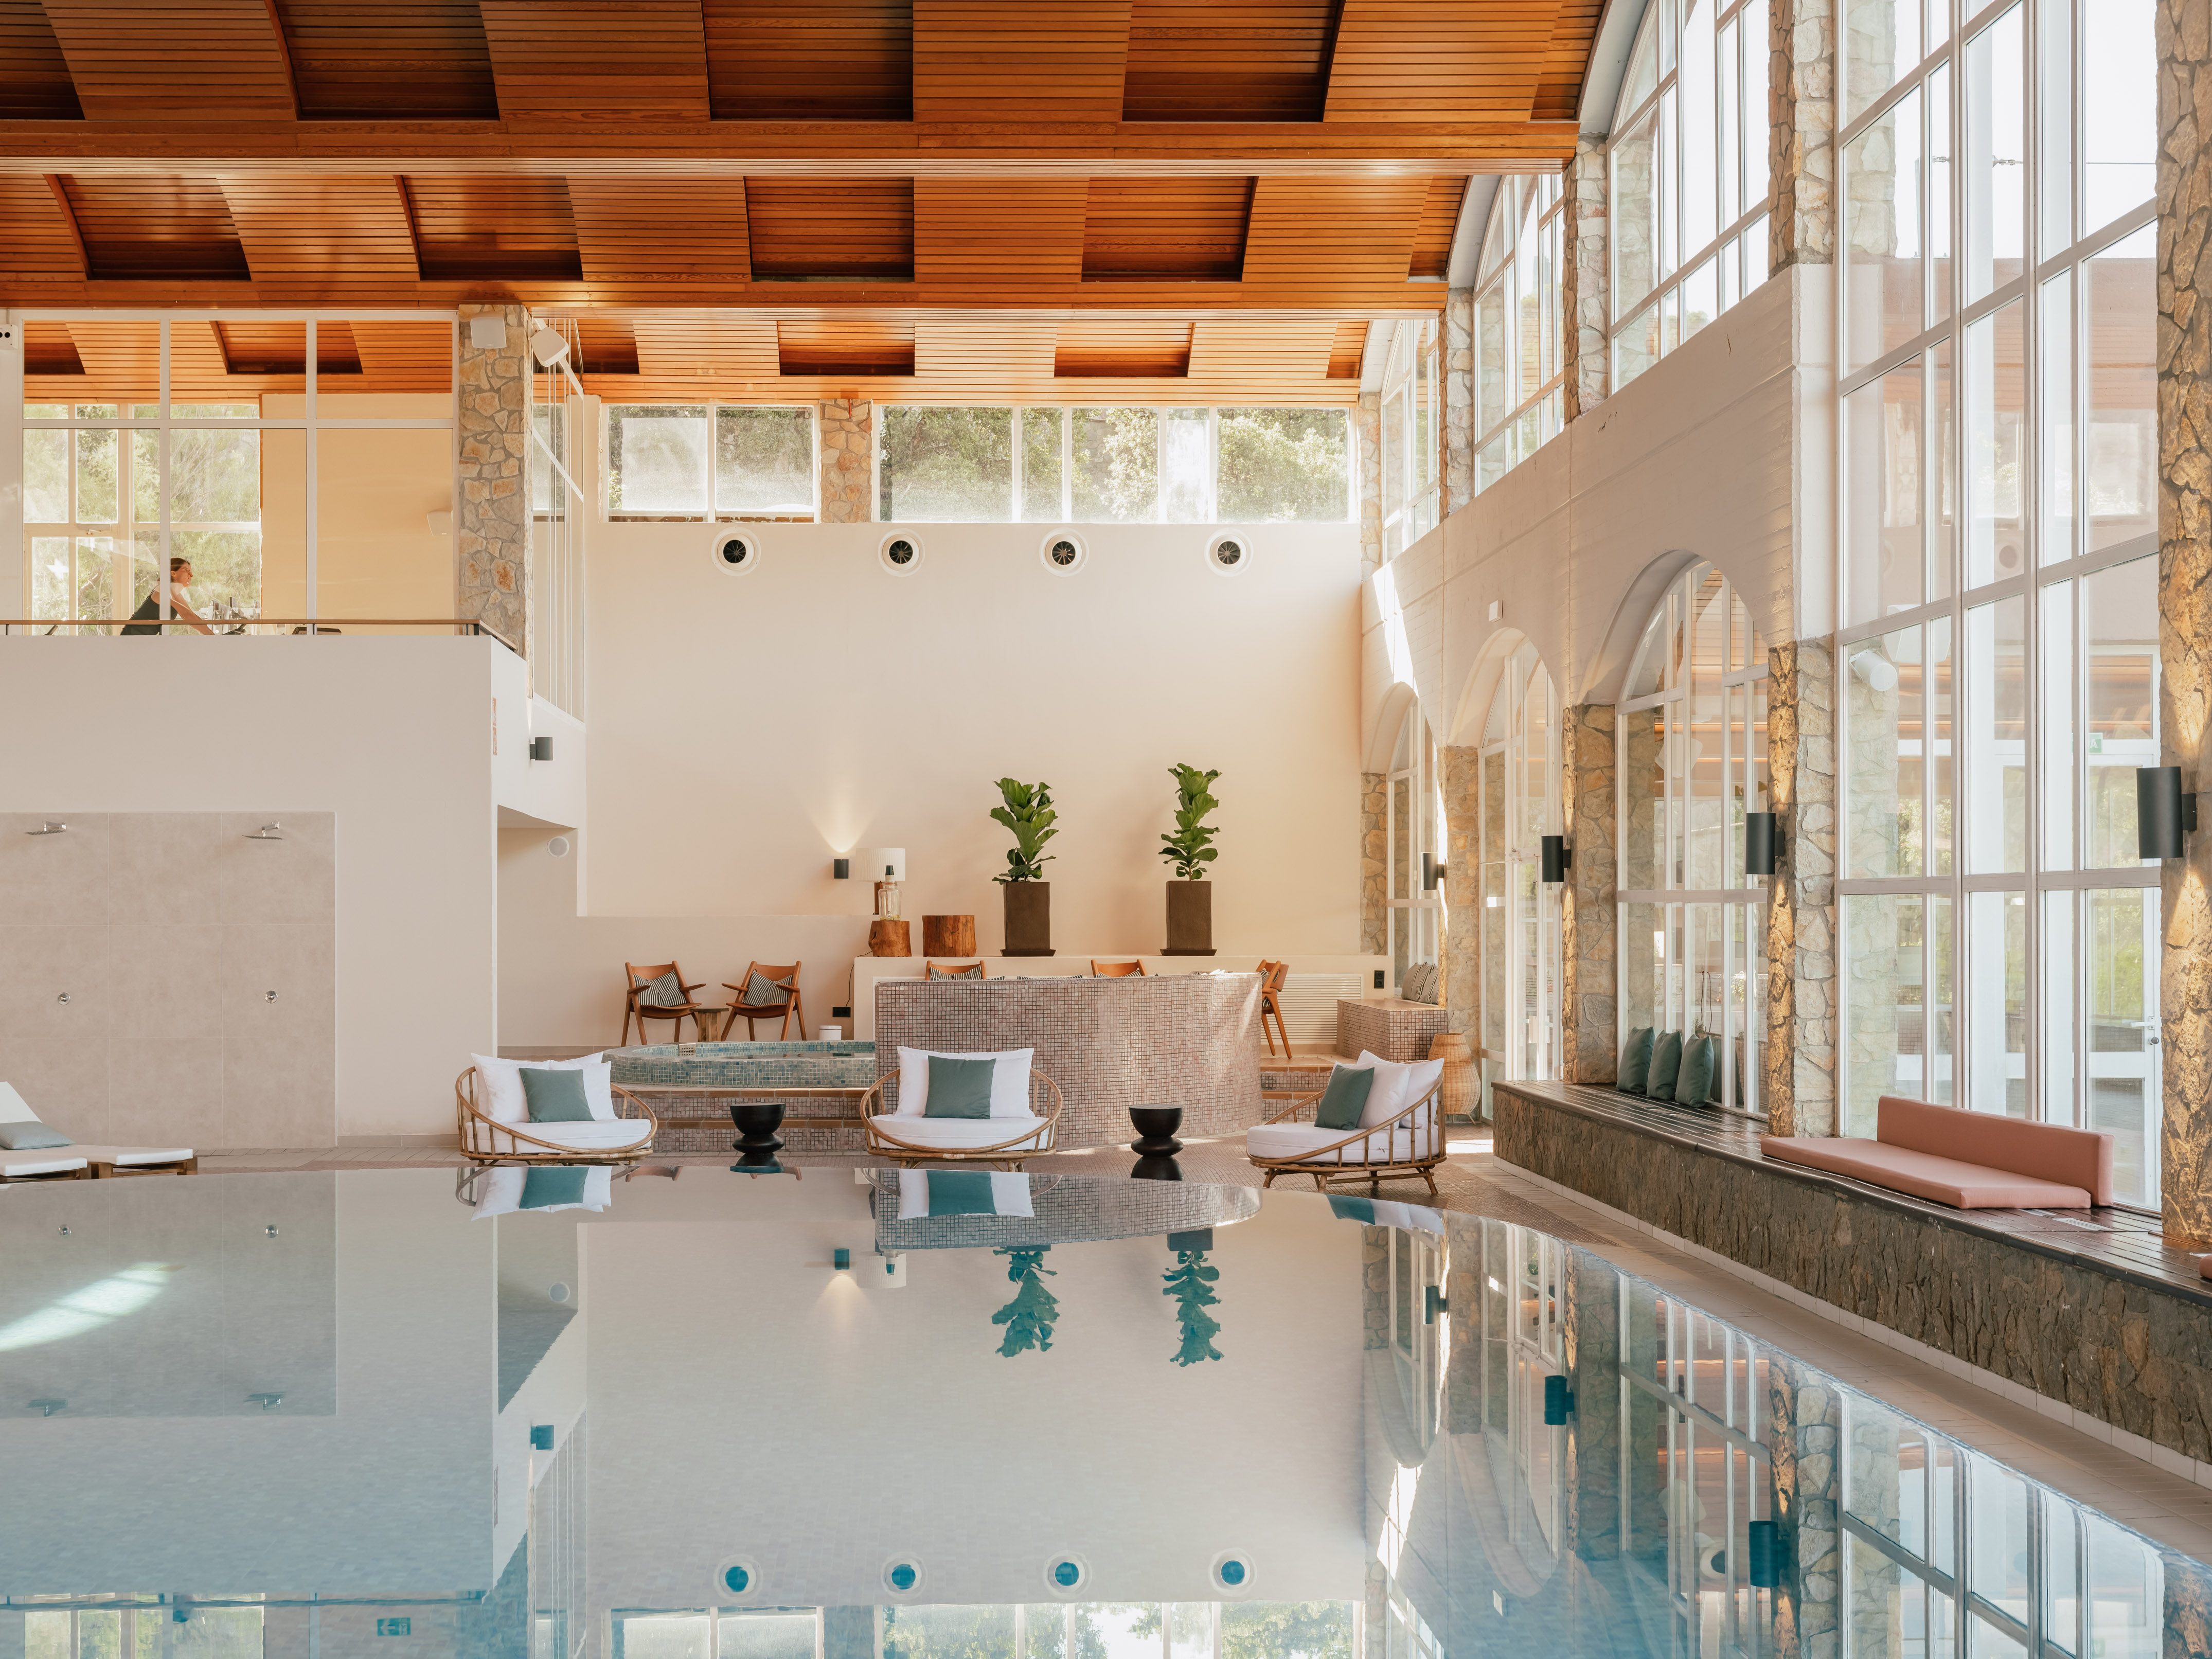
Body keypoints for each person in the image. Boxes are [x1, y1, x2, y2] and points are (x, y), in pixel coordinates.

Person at [121, 557, 215, 636]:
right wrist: (213, 638)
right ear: (173, 573)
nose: (190, 575)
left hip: (143, 640)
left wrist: (213, 636)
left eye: (190, 571)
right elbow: (187, 615)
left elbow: (193, 617)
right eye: (186, 570)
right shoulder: (163, 589)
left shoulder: (176, 594)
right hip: (132, 638)